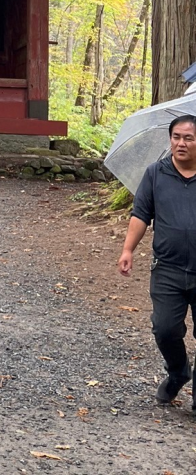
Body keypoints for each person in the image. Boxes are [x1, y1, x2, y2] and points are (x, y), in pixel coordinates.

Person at [117, 114, 196, 406]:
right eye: (176, 137)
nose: (181, 143)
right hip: (168, 269)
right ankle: (178, 373)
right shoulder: (155, 173)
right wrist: (128, 250)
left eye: (188, 138)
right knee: (165, 329)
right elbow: (141, 214)